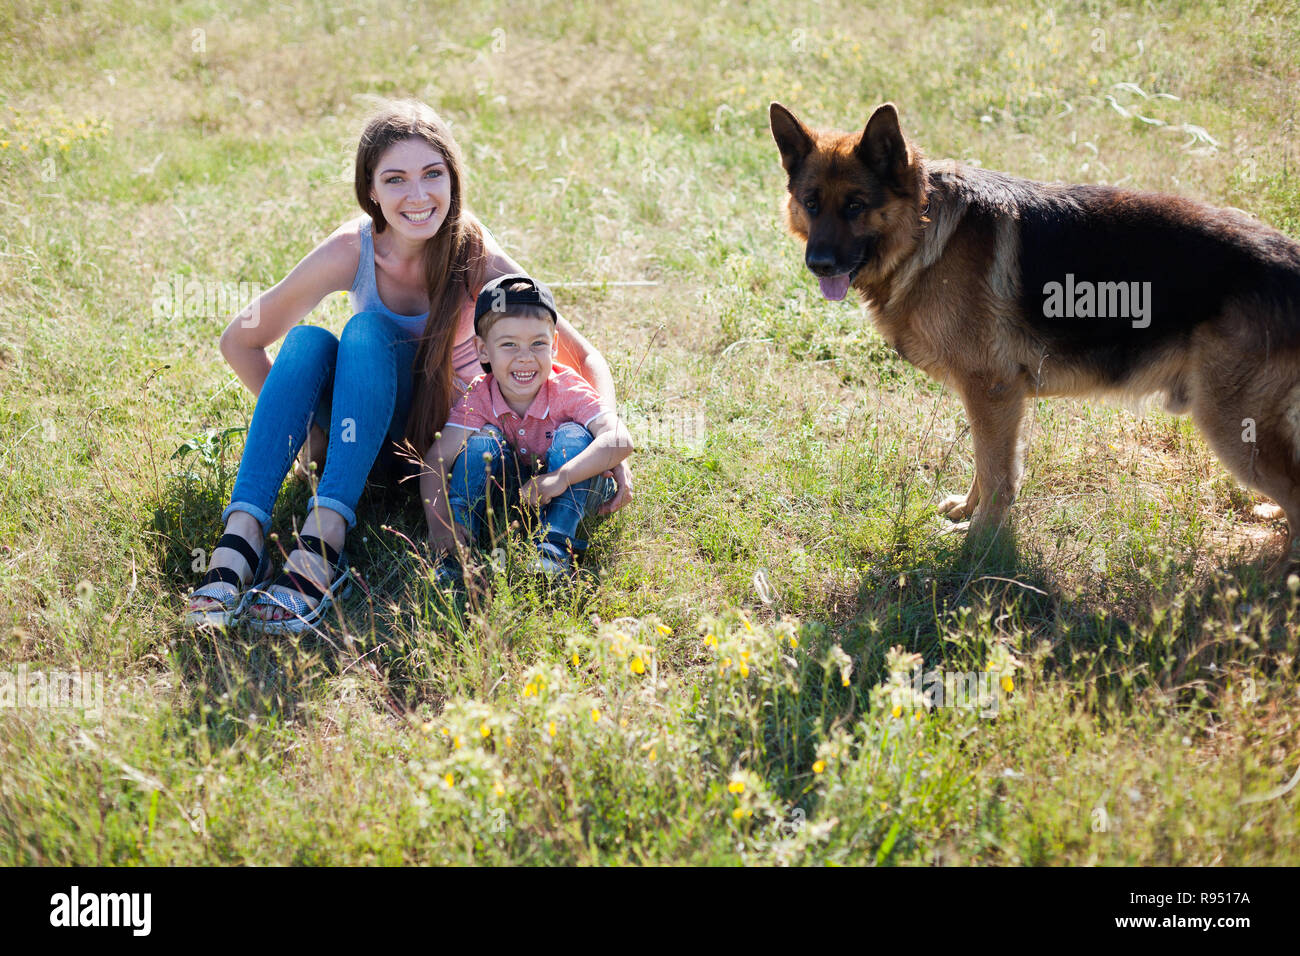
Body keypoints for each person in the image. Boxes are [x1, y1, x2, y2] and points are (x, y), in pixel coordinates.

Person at [184, 99, 631, 632]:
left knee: (367, 331)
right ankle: (243, 536)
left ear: (453, 180)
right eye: (395, 179)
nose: (417, 196)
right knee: (305, 343)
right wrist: (312, 439)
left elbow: (581, 354)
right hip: (361, 445)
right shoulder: (352, 249)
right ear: (369, 189)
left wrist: (610, 449)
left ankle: (324, 541)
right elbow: (240, 340)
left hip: (447, 452)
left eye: (432, 175)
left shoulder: (472, 250)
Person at [434, 275, 634, 582]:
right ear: (483, 350)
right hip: (521, 487)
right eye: (509, 344)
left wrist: (559, 477)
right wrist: (438, 521)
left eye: (537, 343)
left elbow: (620, 439)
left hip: (576, 482)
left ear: (554, 345)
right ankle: (456, 549)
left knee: (572, 436)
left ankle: (555, 545)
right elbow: (434, 461)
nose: (525, 357)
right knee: (480, 446)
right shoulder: (480, 394)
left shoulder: (565, 388)